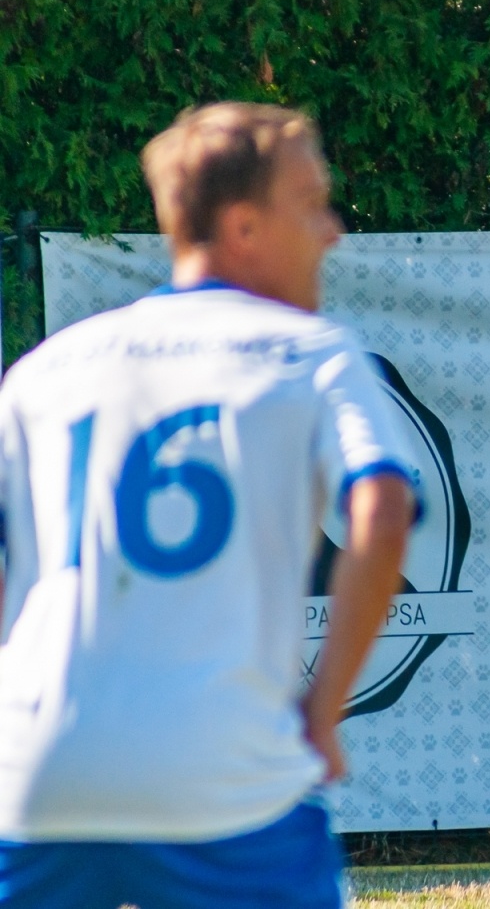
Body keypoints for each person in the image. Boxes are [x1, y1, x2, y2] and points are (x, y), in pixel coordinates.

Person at [0, 103, 419, 908]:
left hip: (37, 773)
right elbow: (383, 506)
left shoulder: (50, 368)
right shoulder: (311, 352)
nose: (332, 229)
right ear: (243, 227)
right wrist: (323, 711)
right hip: (222, 774)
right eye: (311, 202)